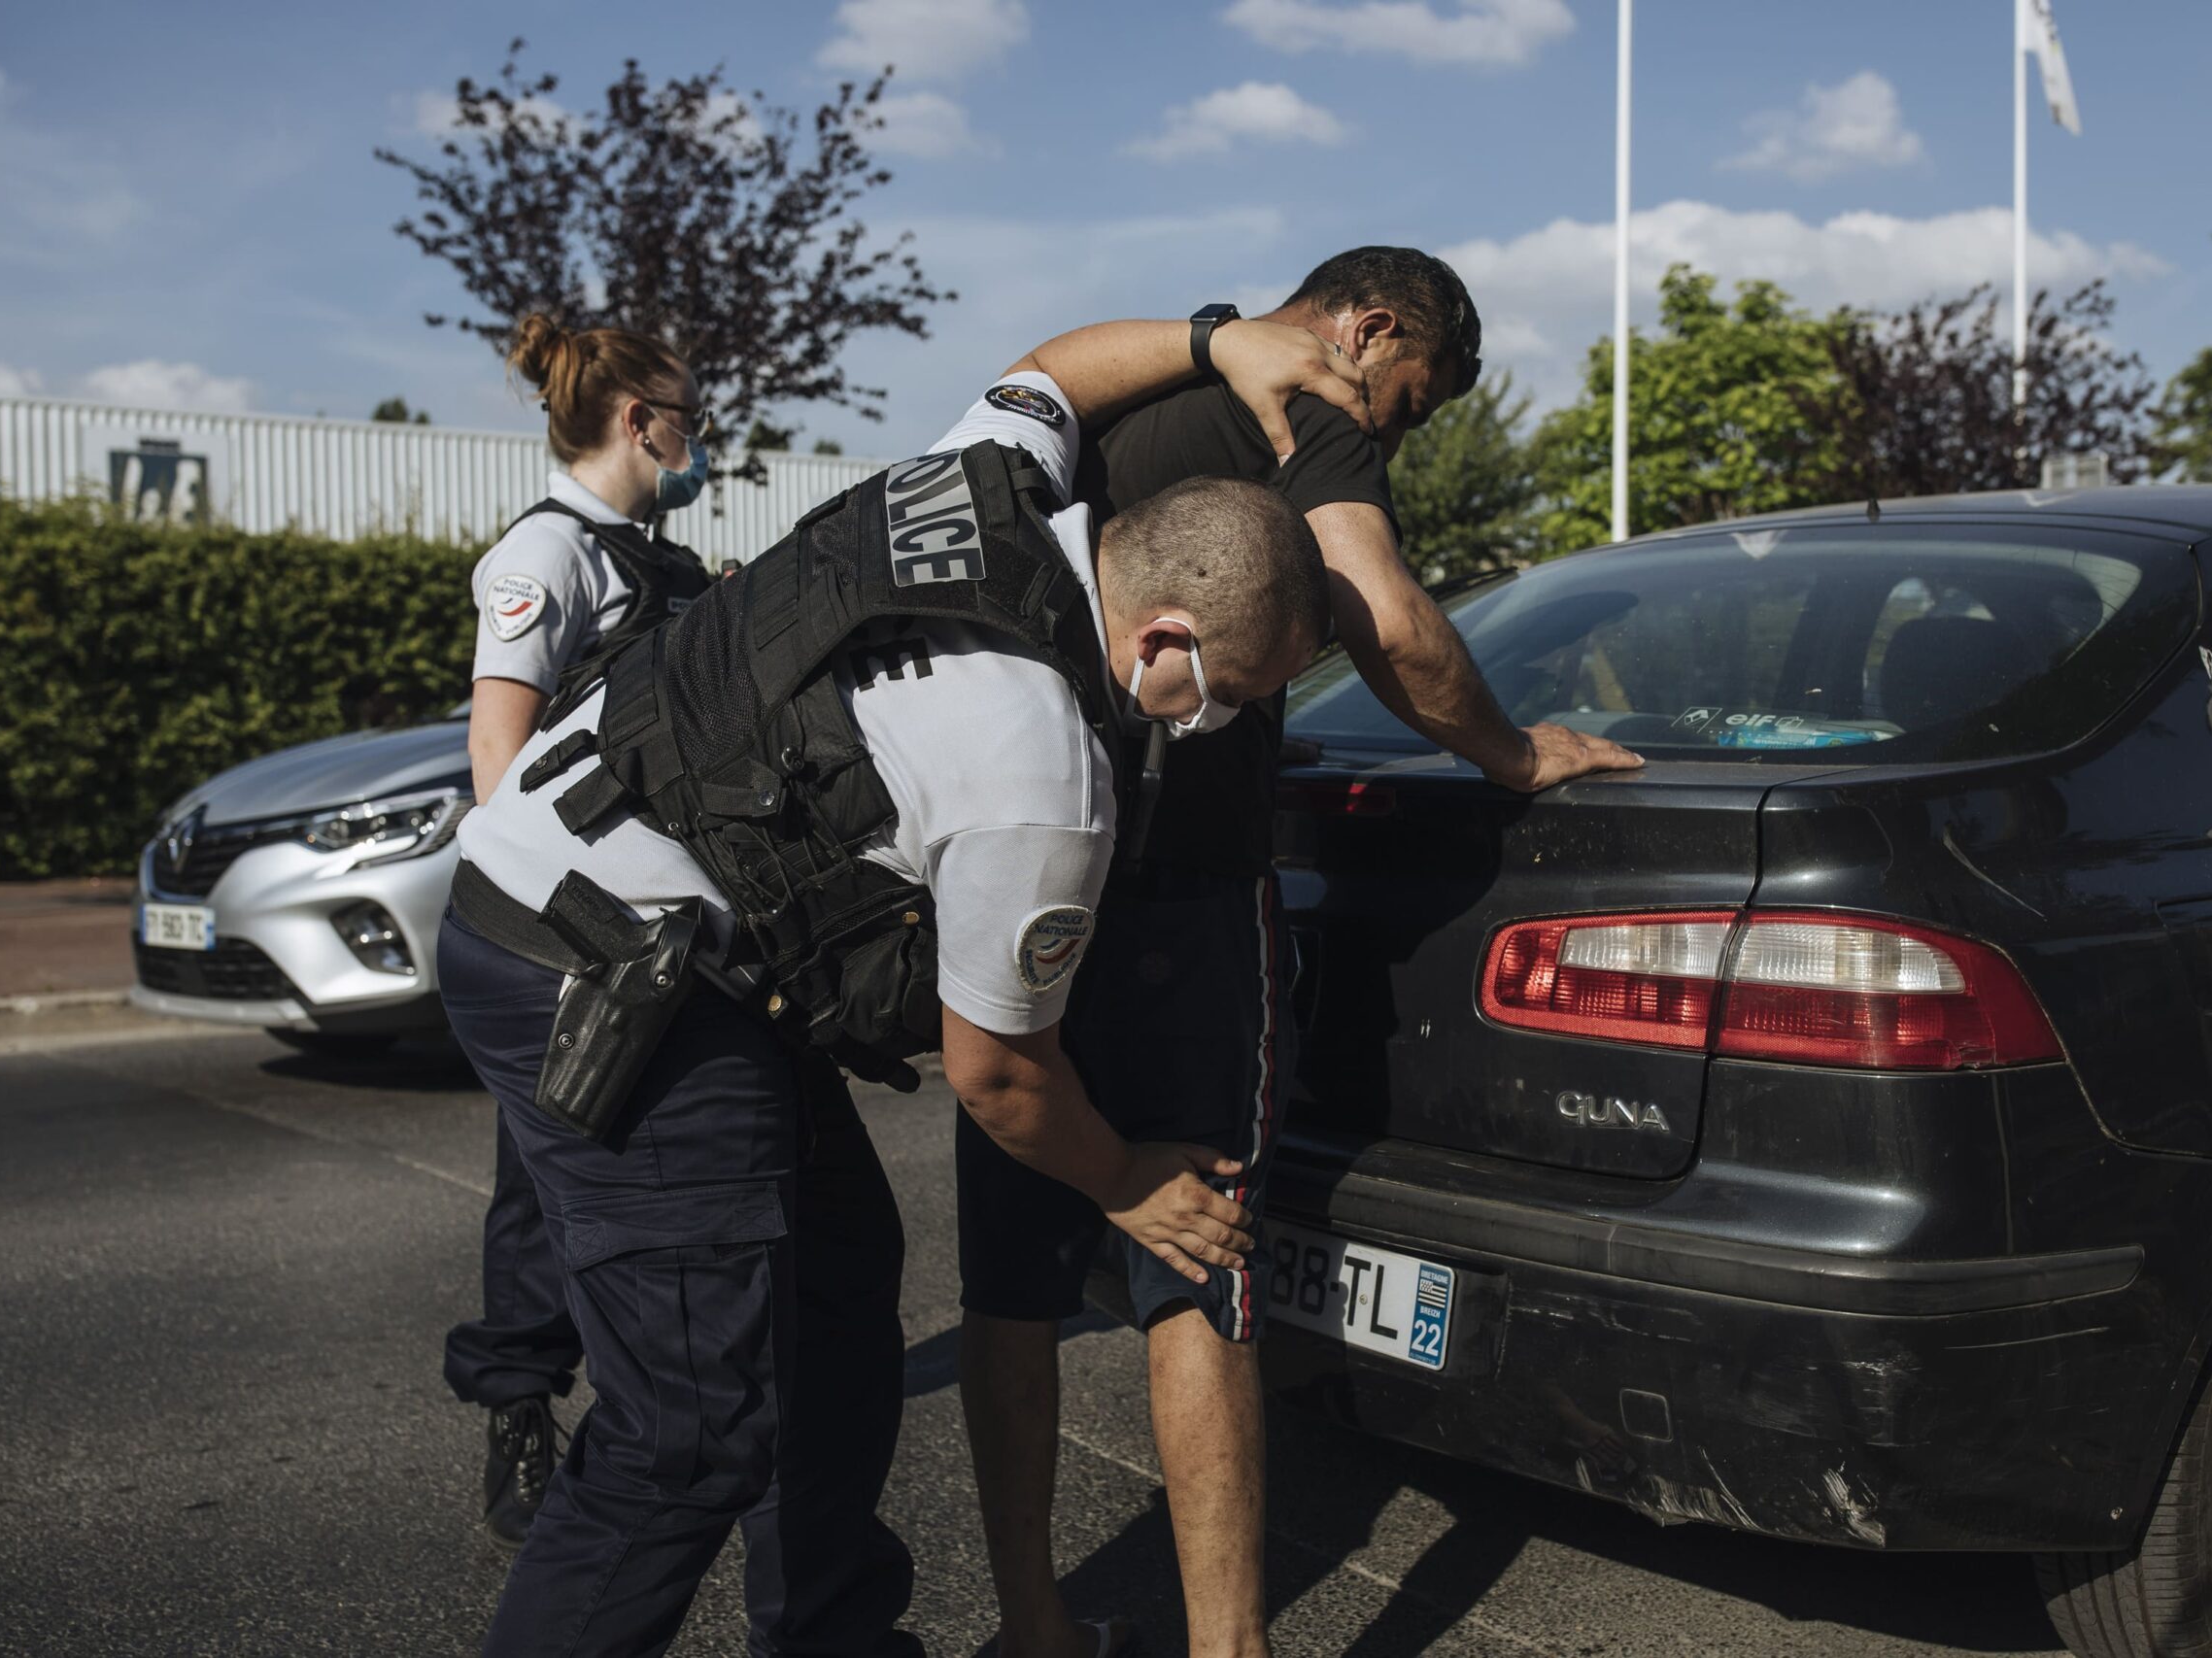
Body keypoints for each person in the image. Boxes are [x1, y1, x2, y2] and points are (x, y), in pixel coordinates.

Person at [435, 314, 1368, 1658]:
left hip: (628, 918)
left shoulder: (988, 483)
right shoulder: (1046, 777)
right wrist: (1131, 1182)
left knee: (835, 1279)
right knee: (687, 1429)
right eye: (1225, 694)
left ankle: (831, 1635)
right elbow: (997, 1072)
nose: (1208, 723)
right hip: (608, 969)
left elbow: (1052, 371)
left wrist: (1220, 339)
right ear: (1164, 630)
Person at [955, 248, 1646, 1658]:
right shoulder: (1314, 416)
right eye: (1411, 401)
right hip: (1186, 897)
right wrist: (1517, 752)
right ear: (1370, 327)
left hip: (1023, 874)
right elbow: (1385, 614)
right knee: (1199, 1257)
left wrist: (1210, 333)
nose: (1392, 430)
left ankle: (1033, 1619)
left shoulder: (1136, 382)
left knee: (1010, 1278)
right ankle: (1231, 1646)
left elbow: (1030, 373)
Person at [444, 314, 717, 1549]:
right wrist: (576, 928)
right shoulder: (544, 557)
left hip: (663, 932)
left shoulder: (659, 556)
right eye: (690, 415)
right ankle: (518, 1404)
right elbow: (497, 757)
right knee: (539, 1185)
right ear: (634, 420)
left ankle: (671, 1402)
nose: (700, 437)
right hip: (574, 937)